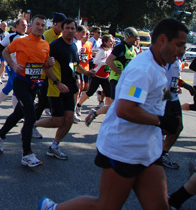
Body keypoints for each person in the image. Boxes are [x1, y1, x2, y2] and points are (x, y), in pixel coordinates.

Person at [39, 18, 187, 210]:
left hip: (147, 149)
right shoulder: (143, 69)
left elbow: (154, 93)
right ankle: (53, 209)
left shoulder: (159, 65)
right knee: (106, 206)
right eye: (179, 44)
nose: (182, 50)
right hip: (124, 149)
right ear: (163, 40)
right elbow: (126, 109)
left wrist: (169, 103)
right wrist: (161, 121)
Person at [0, 15, 53, 168]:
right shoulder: (20, 41)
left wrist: (49, 63)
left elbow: (44, 65)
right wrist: (13, 65)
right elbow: (5, 52)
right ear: (31, 26)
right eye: (37, 24)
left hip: (34, 85)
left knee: (18, 113)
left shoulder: (45, 44)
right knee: (31, 115)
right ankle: (27, 154)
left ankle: (0, 134)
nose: (40, 27)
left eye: (43, 25)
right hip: (20, 83)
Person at [35, 18, 95, 161]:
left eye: (72, 28)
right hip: (56, 89)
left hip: (70, 88)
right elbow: (46, 67)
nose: (70, 31)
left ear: (75, 31)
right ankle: (32, 123)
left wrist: (86, 73)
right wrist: (57, 83)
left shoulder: (74, 46)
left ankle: (54, 146)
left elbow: (74, 65)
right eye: (67, 28)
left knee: (68, 120)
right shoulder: (55, 46)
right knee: (57, 121)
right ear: (62, 29)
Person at [0, 18, 28, 117]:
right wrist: (1, 60)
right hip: (12, 66)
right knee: (17, 89)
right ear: (16, 26)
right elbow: (0, 49)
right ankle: (17, 114)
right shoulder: (11, 37)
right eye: (23, 25)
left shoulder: (28, 37)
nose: (25, 27)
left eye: (26, 25)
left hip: (23, 68)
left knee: (9, 87)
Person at [81, 34, 114, 125]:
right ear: (105, 42)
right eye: (110, 41)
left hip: (105, 75)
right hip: (97, 74)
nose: (112, 43)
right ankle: (78, 105)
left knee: (108, 93)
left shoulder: (110, 50)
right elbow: (95, 61)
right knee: (90, 92)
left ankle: (107, 112)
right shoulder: (102, 51)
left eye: (112, 41)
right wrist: (105, 62)